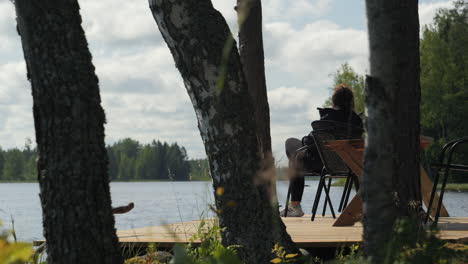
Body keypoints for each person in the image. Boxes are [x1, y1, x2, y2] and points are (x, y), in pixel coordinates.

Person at [280, 84, 363, 217]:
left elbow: (311, 143)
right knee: (296, 157)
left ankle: (295, 207)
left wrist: (305, 140)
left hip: (322, 164)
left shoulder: (327, 119)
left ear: (334, 101)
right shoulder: (357, 121)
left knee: (292, 146)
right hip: (350, 166)